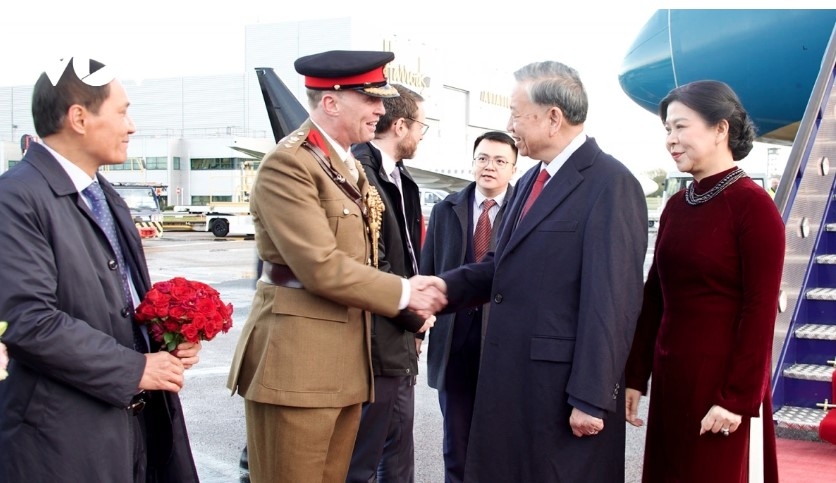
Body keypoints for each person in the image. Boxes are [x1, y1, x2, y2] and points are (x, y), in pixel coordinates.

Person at [415, 60, 648, 482]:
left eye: (516, 113)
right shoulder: (529, 182)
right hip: (513, 382)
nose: (509, 123)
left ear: (552, 117)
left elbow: (613, 302)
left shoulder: (611, 184)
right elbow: (499, 268)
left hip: (561, 393)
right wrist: (442, 287)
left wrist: (592, 397)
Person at [226, 50, 442, 483]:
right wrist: (405, 293)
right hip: (297, 364)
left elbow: (361, 261)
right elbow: (321, 266)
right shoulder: (291, 164)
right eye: (371, 99)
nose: (381, 110)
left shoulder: (345, 166)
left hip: (344, 364)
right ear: (331, 102)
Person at [0, 57, 202, 482]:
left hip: (131, 424)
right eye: (122, 111)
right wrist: (136, 369)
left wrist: (166, 343)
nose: (131, 126)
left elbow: (121, 303)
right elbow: (28, 322)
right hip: (61, 439)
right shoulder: (16, 199)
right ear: (79, 117)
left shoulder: (106, 196)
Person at [624, 80, 784, 483]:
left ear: (720, 129)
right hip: (673, 380)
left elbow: (760, 310)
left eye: (680, 127)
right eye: (667, 130)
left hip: (723, 389)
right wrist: (635, 375)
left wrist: (735, 400)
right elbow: (655, 296)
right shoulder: (677, 206)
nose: (671, 140)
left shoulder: (754, 207)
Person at [420, 131, 517, 483]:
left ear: (513, 168)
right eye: (483, 158)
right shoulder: (447, 209)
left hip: (503, 342)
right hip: (454, 341)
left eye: (500, 161)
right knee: (455, 442)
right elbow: (428, 266)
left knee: (499, 441)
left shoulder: (524, 211)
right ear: (473, 162)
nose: (490, 167)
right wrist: (419, 322)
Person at [346, 84, 429, 483]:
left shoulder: (399, 178)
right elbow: (369, 263)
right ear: (400, 126)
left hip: (396, 333)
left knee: (396, 448)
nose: (420, 137)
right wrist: (414, 316)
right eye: (421, 127)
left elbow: (407, 257)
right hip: (373, 336)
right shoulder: (359, 173)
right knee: (366, 456)